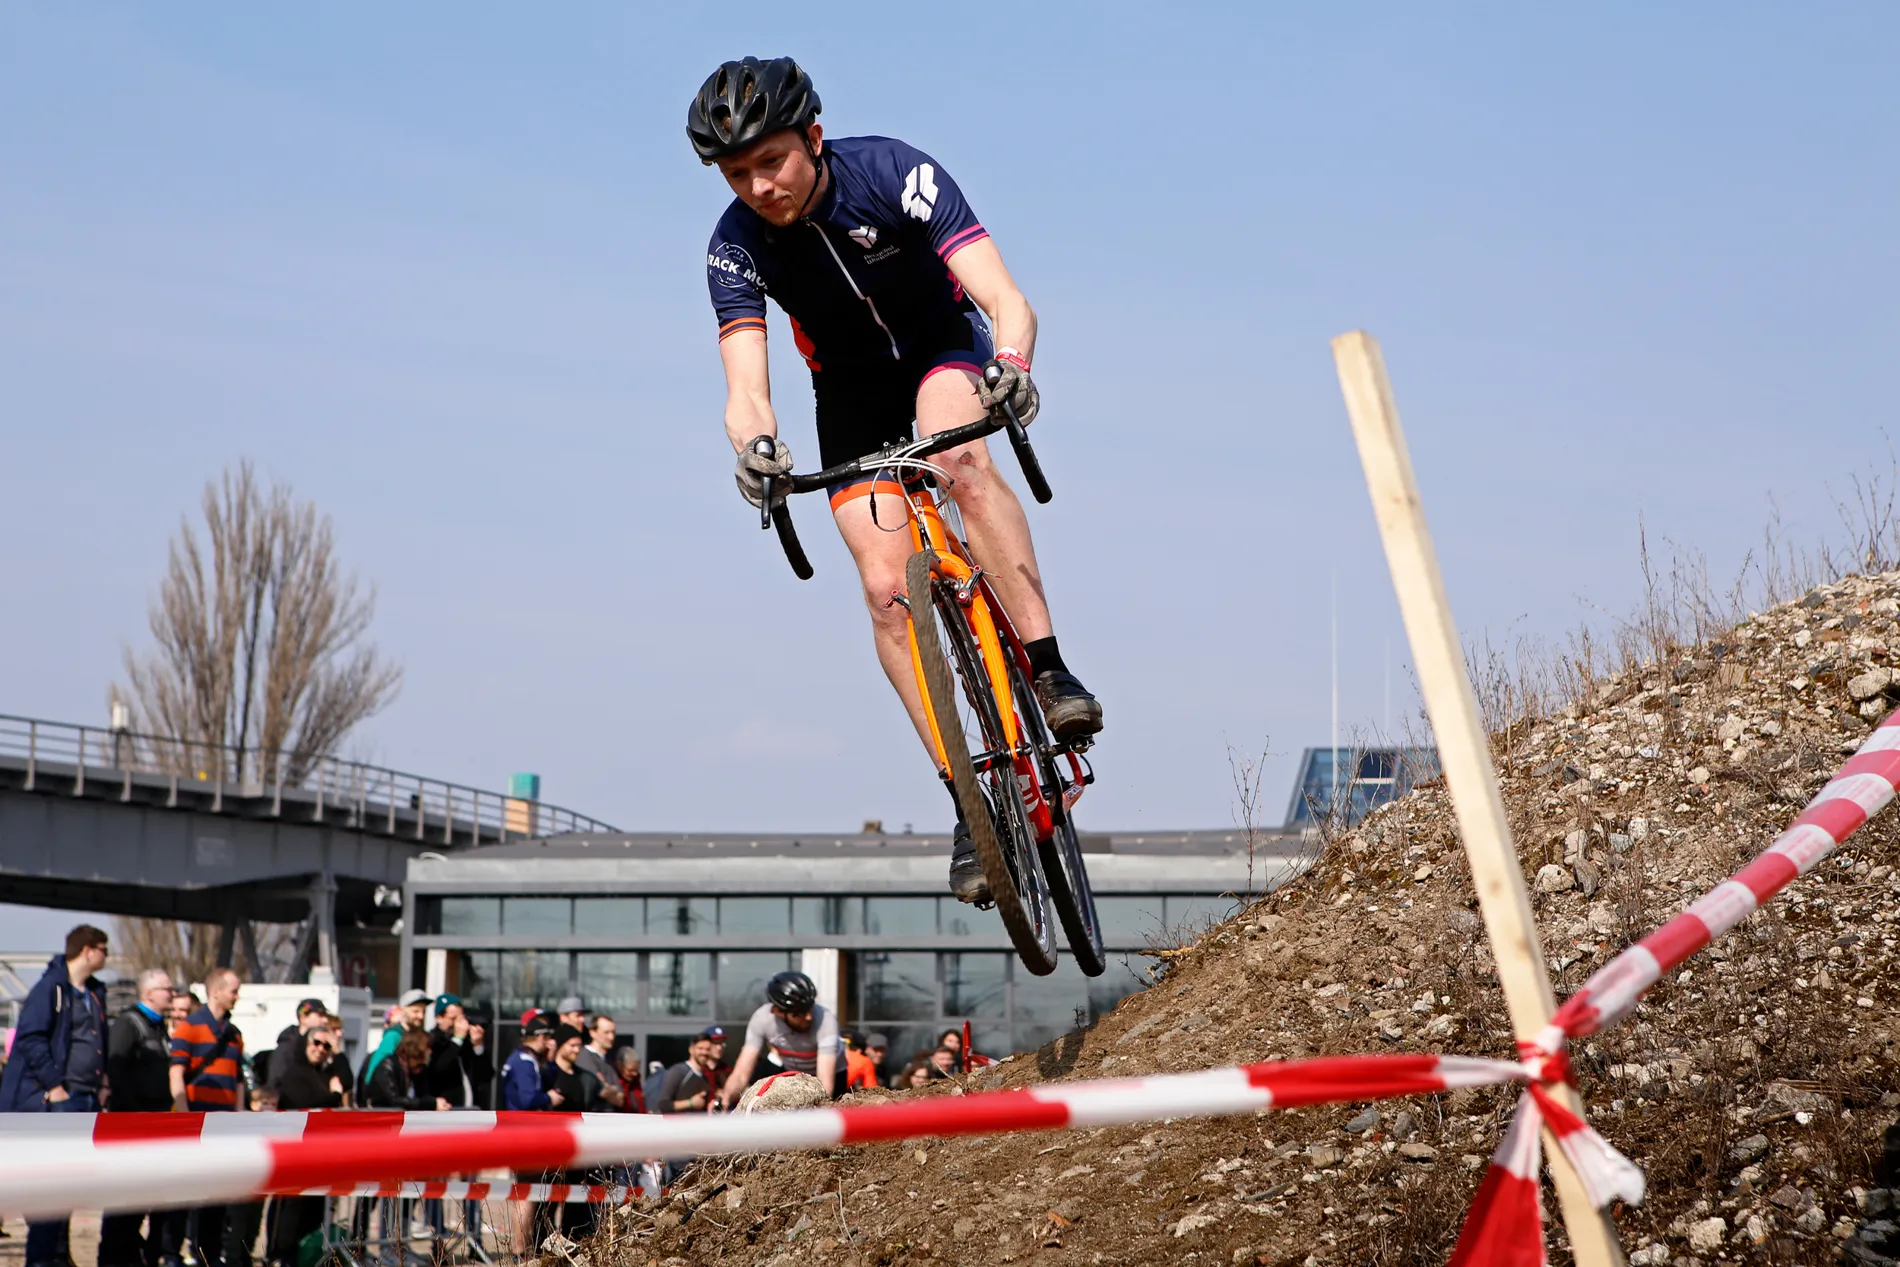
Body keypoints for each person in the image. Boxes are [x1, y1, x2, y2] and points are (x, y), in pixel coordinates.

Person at [689, 57, 1104, 905]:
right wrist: (758, 446)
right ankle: (969, 804)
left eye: (771, 161)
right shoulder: (733, 248)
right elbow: (746, 388)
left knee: (957, 454)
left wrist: (1015, 364)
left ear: (811, 136)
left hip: (942, 347)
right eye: (738, 173)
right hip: (849, 391)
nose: (759, 185)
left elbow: (1006, 298)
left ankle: (1052, 669)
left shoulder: (893, 172)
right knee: (885, 588)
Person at [0, 924, 109, 1267]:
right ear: (88, 950)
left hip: (85, 1099)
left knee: (71, 1188)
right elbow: (30, 1040)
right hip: (55, 1102)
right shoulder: (50, 989)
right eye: (104, 949)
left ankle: (60, 1255)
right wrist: (54, 1087)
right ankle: (42, 1260)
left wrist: (102, 1083)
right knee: (50, 1188)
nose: (108, 957)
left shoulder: (93, 993)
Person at [100, 968, 181, 1267]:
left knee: (145, 1198)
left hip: (156, 1123)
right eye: (166, 989)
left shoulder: (159, 1028)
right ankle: (112, 1258)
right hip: (133, 1124)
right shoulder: (128, 1024)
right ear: (148, 993)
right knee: (124, 1199)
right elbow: (117, 1069)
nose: (171, 993)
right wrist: (135, 1113)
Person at [170, 968, 247, 1267]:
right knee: (188, 1193)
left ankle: (210, 1255)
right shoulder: (188, 1028)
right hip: (196, 1124)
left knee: (218, 1196)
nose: (237, 996)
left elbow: (238, 1078)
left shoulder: (234, 1033)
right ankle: (179, 1252)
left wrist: (239, 1115)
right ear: (216, 991)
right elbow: (176, 1071)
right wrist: (184, 1115)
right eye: (234, 990)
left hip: (225, 1125)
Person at [263, 1028, 345, 1267]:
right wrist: (335, 1096)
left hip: (318, 1155)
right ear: (305, 1044)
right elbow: (308, 1103)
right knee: (289, 1211)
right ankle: (279, 1256)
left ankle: (302, 1257)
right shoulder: (294, 1073)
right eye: (316, 1043)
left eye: (326, 1046)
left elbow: (346, 1080)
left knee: (314, 1212)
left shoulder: (323, 1073)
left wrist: (338, 1053)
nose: (320, 1049)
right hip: (295, 1155)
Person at [718, 971, 840, 1106]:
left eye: (810, 1009)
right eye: (799, 1013)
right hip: (795, 1075)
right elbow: (741, 1073)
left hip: (832, 1075)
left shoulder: (826, 1020)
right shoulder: (762, 1019)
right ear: (778, 1012)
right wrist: (725, 1100)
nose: (809, 1017)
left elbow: (825, 1083)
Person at [366, 1029, 449, 1112]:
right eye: (427, 1048)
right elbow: (393, 1101)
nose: (430, 1052)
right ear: (415, 1050)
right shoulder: (387, 1067)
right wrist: (430, 1104)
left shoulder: (417, 1070)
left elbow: (423, 1095)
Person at [261, 999, 328, 1094]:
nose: (325, 1020)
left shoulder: (317, 1048)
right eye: (320, 1016)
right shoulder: (286, 1048)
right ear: (303, 1018)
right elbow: (274, 1083)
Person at [658, 1028, 729, 1114]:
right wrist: (690, 1103)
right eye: (700, 1048)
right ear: (691, 1050)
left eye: (708, 1049)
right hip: (675, 1125)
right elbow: (664, 1105)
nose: (704, 1052)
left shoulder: (705, 1077)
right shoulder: (678, 1071)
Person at [573, 1013, 627, 1109]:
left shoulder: (608, 1061)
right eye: (606, 1032)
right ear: (593, 1033)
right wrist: (611, 1090)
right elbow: (601, 1091)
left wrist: (609, 1089)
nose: (611, 1037)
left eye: (613, 1032)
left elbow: (621, 1099)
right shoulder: (584, 1057)